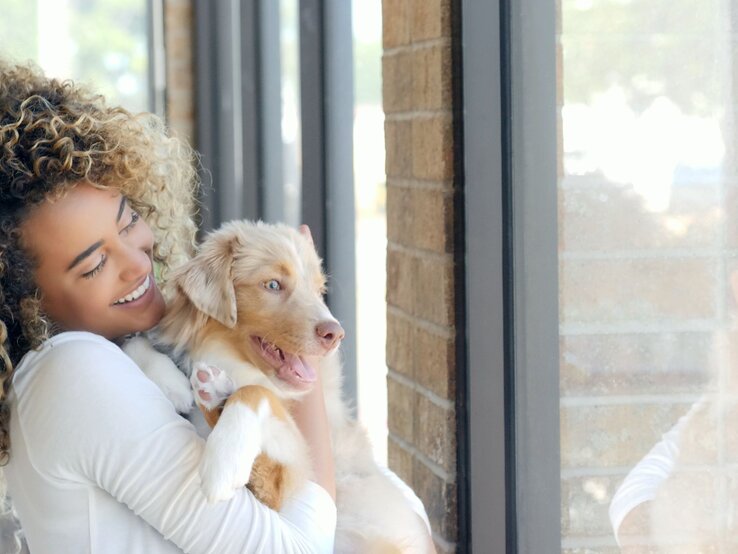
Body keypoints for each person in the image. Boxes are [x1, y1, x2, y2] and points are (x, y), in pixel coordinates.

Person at [0, 62, 431, 553]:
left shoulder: (114, 365)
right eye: (95, 264)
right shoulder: (74, 370)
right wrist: (297, 362)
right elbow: (297, 549)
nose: (136, 264)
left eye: (128, 222)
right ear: (24, 305)